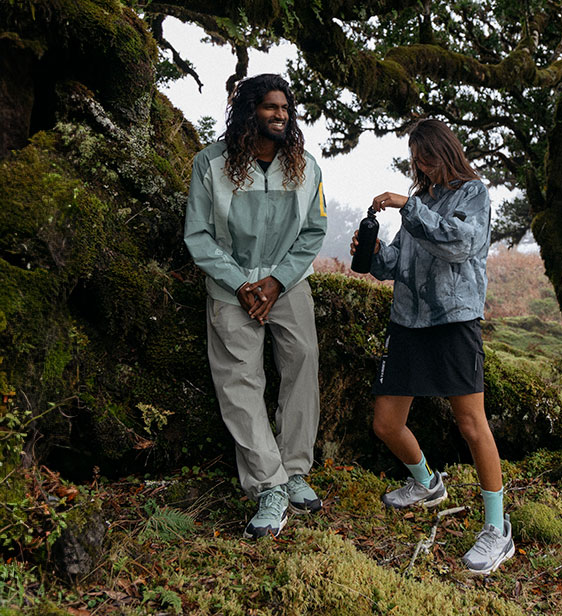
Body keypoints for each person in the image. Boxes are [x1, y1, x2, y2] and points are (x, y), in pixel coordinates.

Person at [350, 119, 513, 575]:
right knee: (386, 423)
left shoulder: (473, 194)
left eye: (428, 155)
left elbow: (459, 244)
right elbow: (394, 267)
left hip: (454, 322)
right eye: (416, 157)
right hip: (407, 322)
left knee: (471, 423)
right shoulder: (420, 202)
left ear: (447, 151)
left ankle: (497, 529)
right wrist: (372, 251)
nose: (421, 164)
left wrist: (406, 207)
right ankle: (427, 483)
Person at [184, 74, 327, 539]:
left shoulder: (306, 167)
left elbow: (313, 233)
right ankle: (270, 486)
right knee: (239, 383)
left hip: (287, 286)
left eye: (285, 108)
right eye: (269, 107)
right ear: (248, 111)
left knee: (302, 364)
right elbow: (198, 236)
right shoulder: (211, 163)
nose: (280, 115)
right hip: (231, 289)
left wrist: (276, 281)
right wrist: (241, 283)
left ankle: (295, 470)